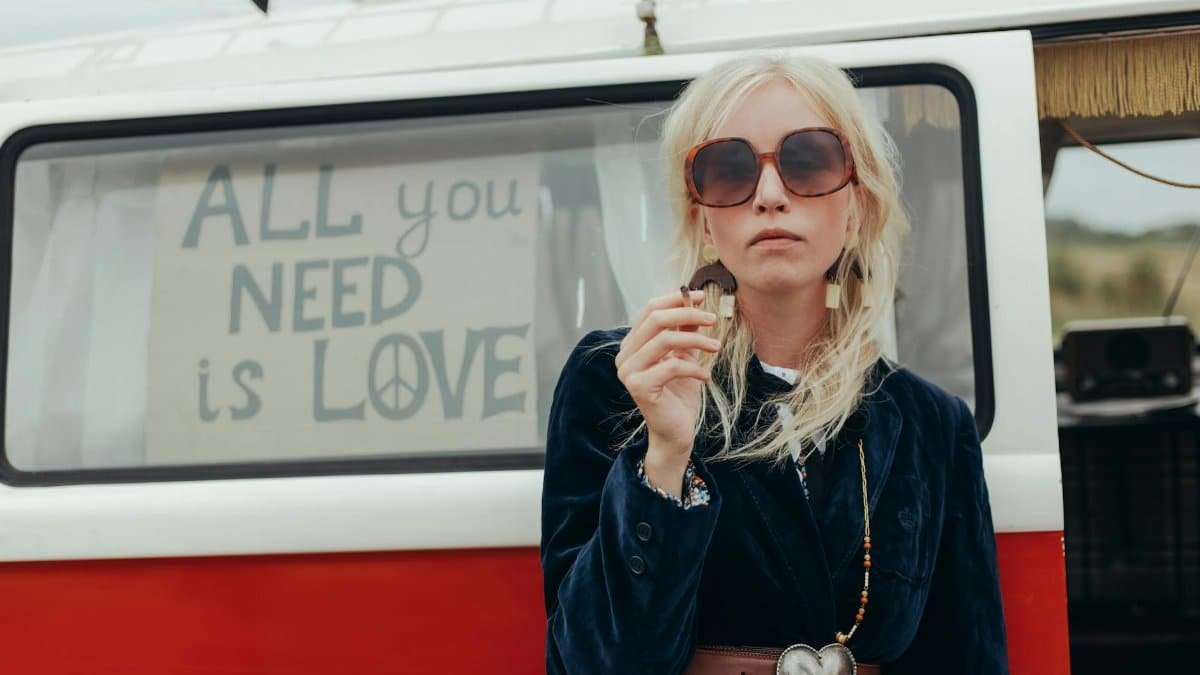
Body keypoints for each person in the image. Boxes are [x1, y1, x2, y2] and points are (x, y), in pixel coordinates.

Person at [540, 51, 1009, 675]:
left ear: (857, 205)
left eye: (808, 161)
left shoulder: (931, 423)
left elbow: (968, 656)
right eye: (729, 170)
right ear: (703, 218)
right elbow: (593, 662)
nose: (768, 195)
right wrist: (665, 456)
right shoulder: (620, 379)